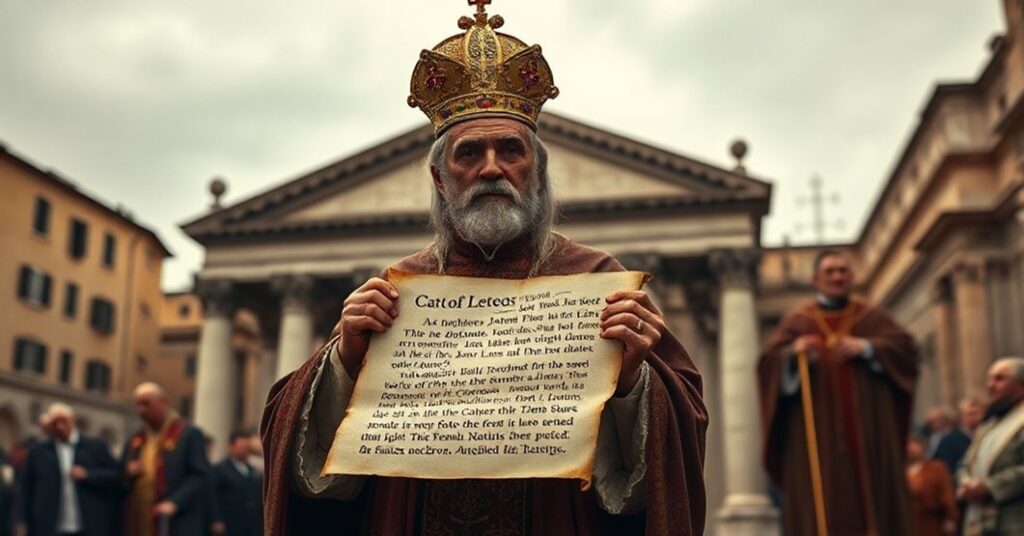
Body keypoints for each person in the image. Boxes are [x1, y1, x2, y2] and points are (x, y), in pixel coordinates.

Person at [259, 3, 708, 535]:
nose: (491, 168)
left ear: (537, 173)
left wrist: (635, 376)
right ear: (439, 178)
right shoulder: (397, 290)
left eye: (510, 151)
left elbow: (681, 426)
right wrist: (345, 360)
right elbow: (302, 451)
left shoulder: (596, 279)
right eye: (469, 152)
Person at [757, 249, 919, 535]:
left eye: (843, 271)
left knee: (872, 498)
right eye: (830, 271)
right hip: (815, 437)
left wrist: (869, 348)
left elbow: (906, 351)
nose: (837, 277)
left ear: (852, 278)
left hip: (869, 432)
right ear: (816, 279)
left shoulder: (872, 318)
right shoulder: (799, 321)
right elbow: (767, 364)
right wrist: (792, 355)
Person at [16, 403, 119, 536]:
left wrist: (88, 475)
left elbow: (115, 476)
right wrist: (21, 521)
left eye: (63, 421)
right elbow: (26, 488)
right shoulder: (39, 451)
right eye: (55, 423)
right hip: (50, 527)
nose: (59, 427)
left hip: (88, 526)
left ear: (73, 421)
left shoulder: (95, 446)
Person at [121, 382, 210, 536]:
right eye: (138, 405)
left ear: (163, 402)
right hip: (140, 516)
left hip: (175, 519)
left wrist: (175, 502)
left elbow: (200, 474)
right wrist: (128, 471)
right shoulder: (137, 438)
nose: (141, 410)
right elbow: (119, 472)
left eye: (146, 404)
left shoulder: (188, 434)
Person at [957, 357, 1024, 535]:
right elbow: (966, 464)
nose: (990, 385)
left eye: (1000, 379)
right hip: (981, 522)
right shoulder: (989, 425)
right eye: (990, 379)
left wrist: (990, 487)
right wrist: (966, 484)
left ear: (1021, 385)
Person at [209, 432, 262, 536]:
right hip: (229, 522)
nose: (245, 451)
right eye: (241, 447)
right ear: (231, 447)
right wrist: (216, 519)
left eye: (247, 448)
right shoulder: (219, 469)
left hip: (250, 523)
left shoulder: (252, 470)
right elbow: (212, 496)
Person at [906, 434, 958, 535]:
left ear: (923, 446)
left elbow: (947, 493)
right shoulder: (900, 470)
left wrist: (950, 517)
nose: (911, 447)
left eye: (915, 443)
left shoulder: (936, 468)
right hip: (908, 522)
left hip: (932, 522)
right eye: (908, 444)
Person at [926, 405, 971, 476]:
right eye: (931, 421)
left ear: (945, 420)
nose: (934, 424)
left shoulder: (956, 437)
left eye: (937, 420)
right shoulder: (929, 436)